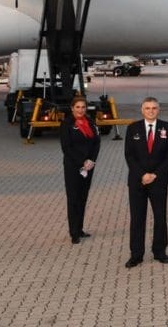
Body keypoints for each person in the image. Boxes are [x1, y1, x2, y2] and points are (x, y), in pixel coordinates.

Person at [123, 97, 168, 268]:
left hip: (159, 181)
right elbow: (129, 156)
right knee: (137, 218)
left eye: (154, 108)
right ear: (142, 110)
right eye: (147, 108)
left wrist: (154, 175)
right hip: (138, 181)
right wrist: (143, 175)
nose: (151, 111)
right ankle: (136, 254)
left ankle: (160, 251)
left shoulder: (167, 128)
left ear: (158, 110)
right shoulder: (132, 128)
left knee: (160, 217)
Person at [60, 96, 100, 244]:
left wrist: (92, 160)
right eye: (77, 107)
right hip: (73, 166)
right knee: (73, 199)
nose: (80, 110)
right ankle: (74, 232)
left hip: (88, 166)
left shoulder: (90, 122)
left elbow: (96, 143)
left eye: (83, 107)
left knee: (83, 197)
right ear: (72, 108)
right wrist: (81, 162)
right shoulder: (67, 124)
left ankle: (80, 228)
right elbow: (66, 147)